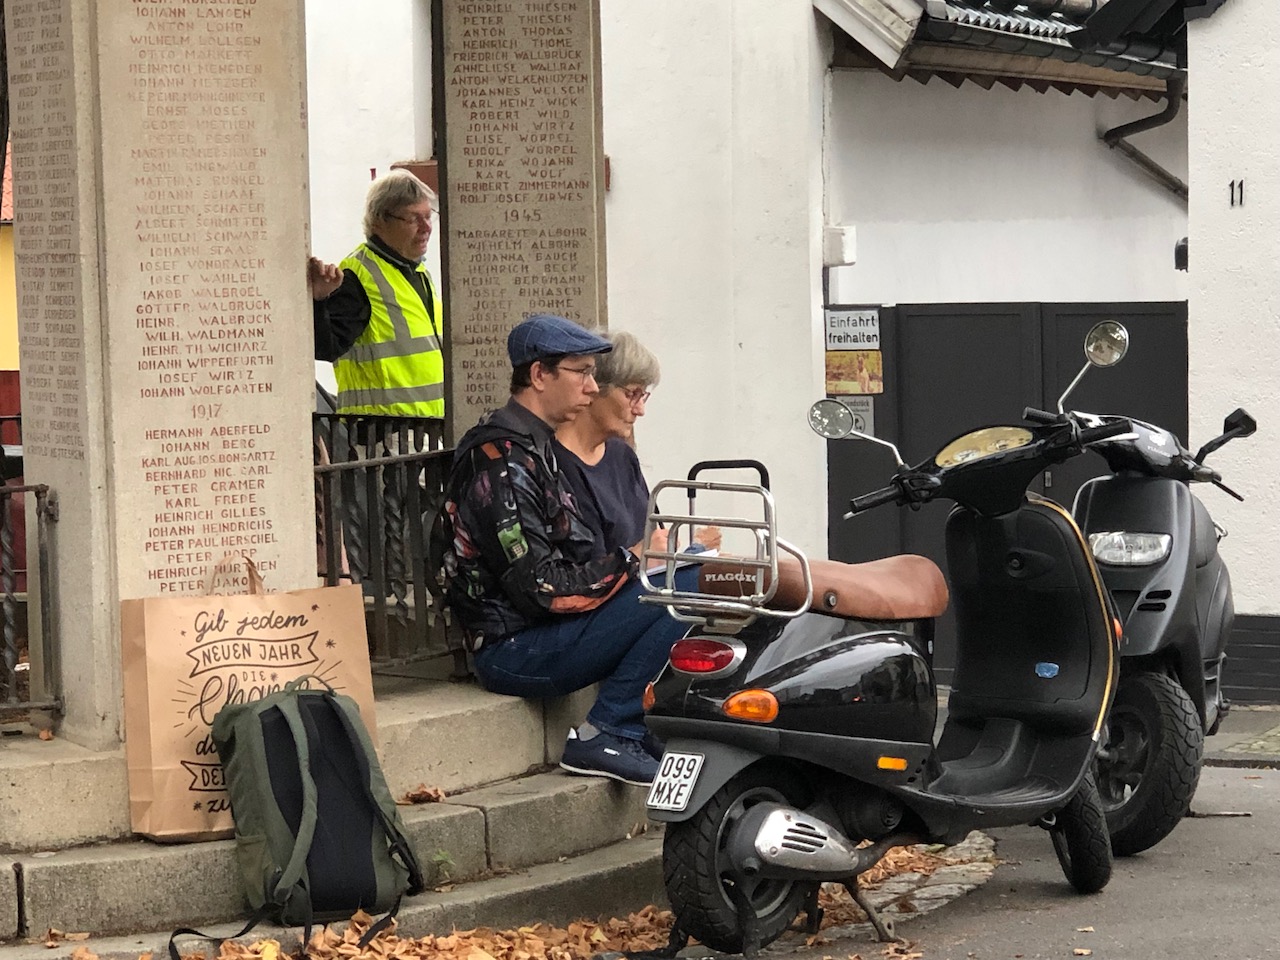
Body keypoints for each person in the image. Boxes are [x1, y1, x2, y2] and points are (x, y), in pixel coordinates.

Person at [435, 314, 700, 786]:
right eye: (582, 373)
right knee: (684, 585)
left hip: (545, 634)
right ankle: (607, 731)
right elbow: (543, 590)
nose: (593, 388)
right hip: (512, 650)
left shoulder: (532, 447)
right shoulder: (503, 460)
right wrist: (633, 558)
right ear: (540, 375)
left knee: (692, 575)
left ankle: (638, 727)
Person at [554, 330, 719, 557]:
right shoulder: (553, 463)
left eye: (643, 396)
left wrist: (696, 554)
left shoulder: (622, 455)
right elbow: (583, 566)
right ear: (594, 387)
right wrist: (638, 557)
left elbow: (653, 541)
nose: (640, 410)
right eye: (632, 394)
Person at [309, 170, 445, 417]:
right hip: (381, 431)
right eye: (413, 219)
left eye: (428, 216)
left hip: (426, 428)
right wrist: (319, 301)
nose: (426, 228)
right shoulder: (357, 277)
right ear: (379, 222)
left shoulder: (417, 272)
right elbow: (325, 348)